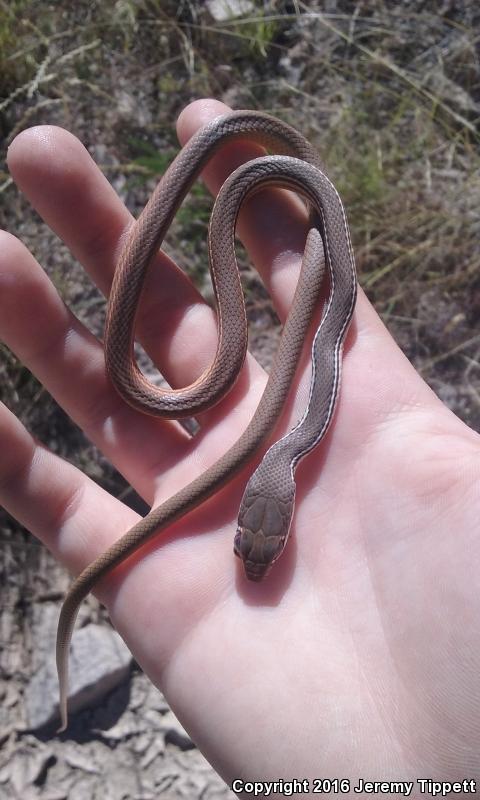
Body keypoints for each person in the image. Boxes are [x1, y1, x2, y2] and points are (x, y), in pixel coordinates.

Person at [2, 98, 479, 792]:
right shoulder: (287, 450)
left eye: (245, 544)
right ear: (275, 513)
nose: (254, 557)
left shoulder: (287, 450)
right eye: (260, 546)